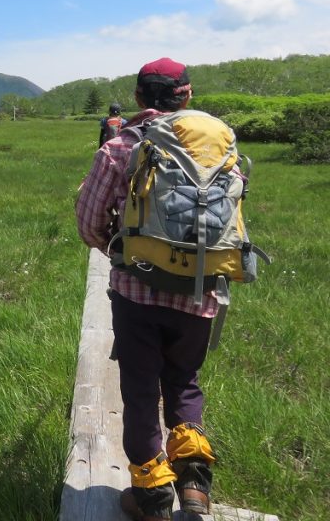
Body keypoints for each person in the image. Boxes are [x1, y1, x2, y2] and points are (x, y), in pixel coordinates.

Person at [75, 58, 219, 521]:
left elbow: (89, 223)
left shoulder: (119, 148)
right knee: (183, 384)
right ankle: (194, 487)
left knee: (139, 393)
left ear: (138, 98)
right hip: (201, 293)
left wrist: (123, 256)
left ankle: (152, 498)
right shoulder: (219, 146)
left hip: (136, 294)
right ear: (188, 95)